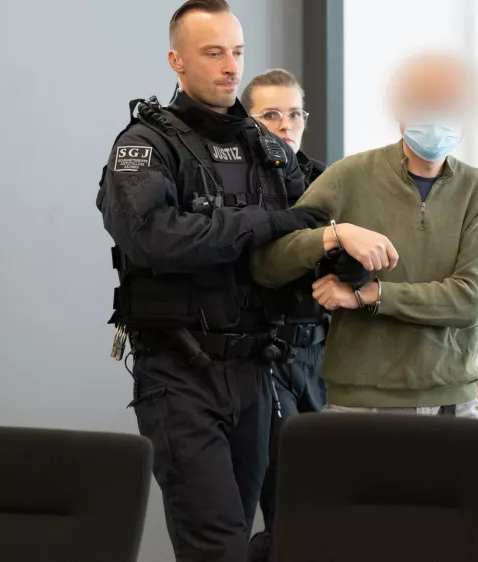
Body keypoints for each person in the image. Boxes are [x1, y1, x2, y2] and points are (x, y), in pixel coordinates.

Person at [95, 1, 326, 560]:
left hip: (257, 373)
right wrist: (264, 222)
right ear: (177, 60)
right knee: (216, 547)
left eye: (238, 52)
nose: (230, 66)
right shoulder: (145, 144)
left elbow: (314, 218)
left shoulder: (268, 148)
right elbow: (153, 235)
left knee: (276, 535)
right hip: (181, 378)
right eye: (213, 52)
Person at [250, 51, 478, 418]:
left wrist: (368, 295)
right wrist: (335, 235)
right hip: (357, 403)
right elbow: (268, 264)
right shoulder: (348, 176)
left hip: (450, 401)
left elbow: (469, 301)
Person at [239, 68, 328, 562]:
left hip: (320, 354)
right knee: (285, 501)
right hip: (263, 355)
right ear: (247, 121)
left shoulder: (324, 180)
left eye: (294, 113)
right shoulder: (237, 182)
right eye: (271, 114)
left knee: (323, 498)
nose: (285, 124)